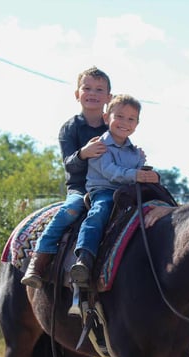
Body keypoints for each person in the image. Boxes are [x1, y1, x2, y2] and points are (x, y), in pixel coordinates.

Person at [21, 66, 113, 288]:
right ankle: (38, 261)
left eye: (99, 89)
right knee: (66, 214)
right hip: (81, 189)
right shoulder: (70, 128)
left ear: (108, 97)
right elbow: (69, 164)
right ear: (77, 94)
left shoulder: (113, 126)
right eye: (87, 88)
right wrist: (83, 154)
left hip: (110, 186)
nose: (93, 93)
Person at [69, 93, 159, 287]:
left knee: (155, 210)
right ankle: (84, 257)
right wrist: (136, 175)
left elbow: (139, 173)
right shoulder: (99, 146)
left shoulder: (136, 152)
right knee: (100, 211)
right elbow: (110, 172)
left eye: (131, 119)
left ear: (136, 124)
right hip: (104, 190)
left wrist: (151, 176)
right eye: (119, 116)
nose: (124, 122)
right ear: (106, 117)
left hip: (129, 193)